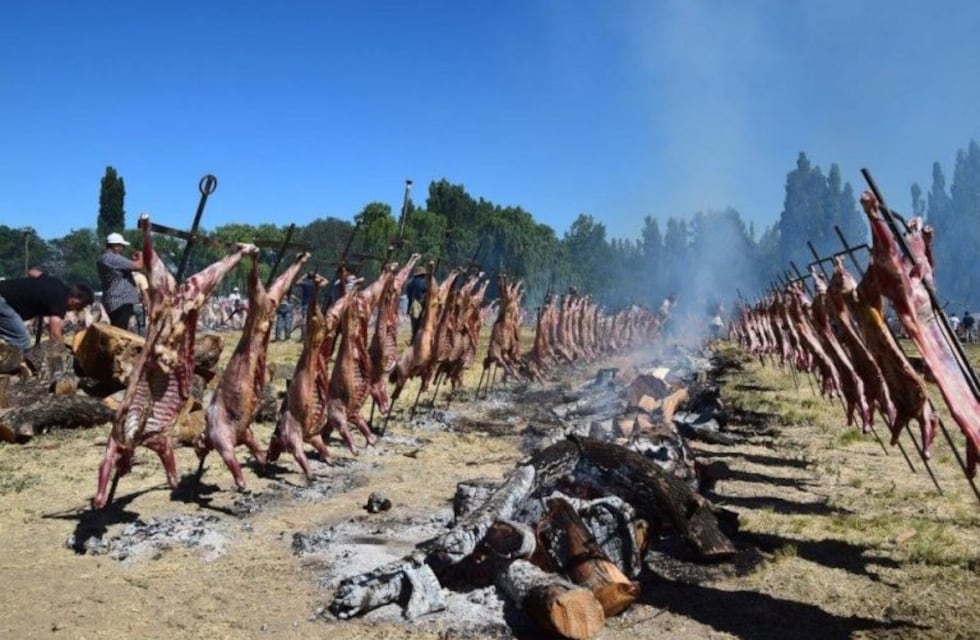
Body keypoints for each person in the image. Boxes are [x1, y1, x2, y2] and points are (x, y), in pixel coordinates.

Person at [0, 275, 94, 350]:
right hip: (3, 301)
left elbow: (34, 273)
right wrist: (64, 354)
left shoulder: (57, 283)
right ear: (75, 301)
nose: (78, 310)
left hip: (4, 296)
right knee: (21, 340)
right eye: (80, 307)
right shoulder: (60, 300)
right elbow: (55, 334)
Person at [96, 232, 144, 331]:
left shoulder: (107, 258)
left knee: (121, 330)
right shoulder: (111, 258)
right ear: (115, 246)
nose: (123, 249)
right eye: (122, 246)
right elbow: (139, 266)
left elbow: (128, 266)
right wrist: (141, 255)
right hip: (120, 302)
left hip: (117, 301)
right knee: (120, 332)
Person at [405, 265, 428, 340]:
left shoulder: (409, 283)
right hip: (419, 306)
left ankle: (413, 340)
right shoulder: (423, 282)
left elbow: (408, 295)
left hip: (411, 306)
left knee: (414, 326)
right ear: (422, 275)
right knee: (420, 326)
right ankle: (416, 342)